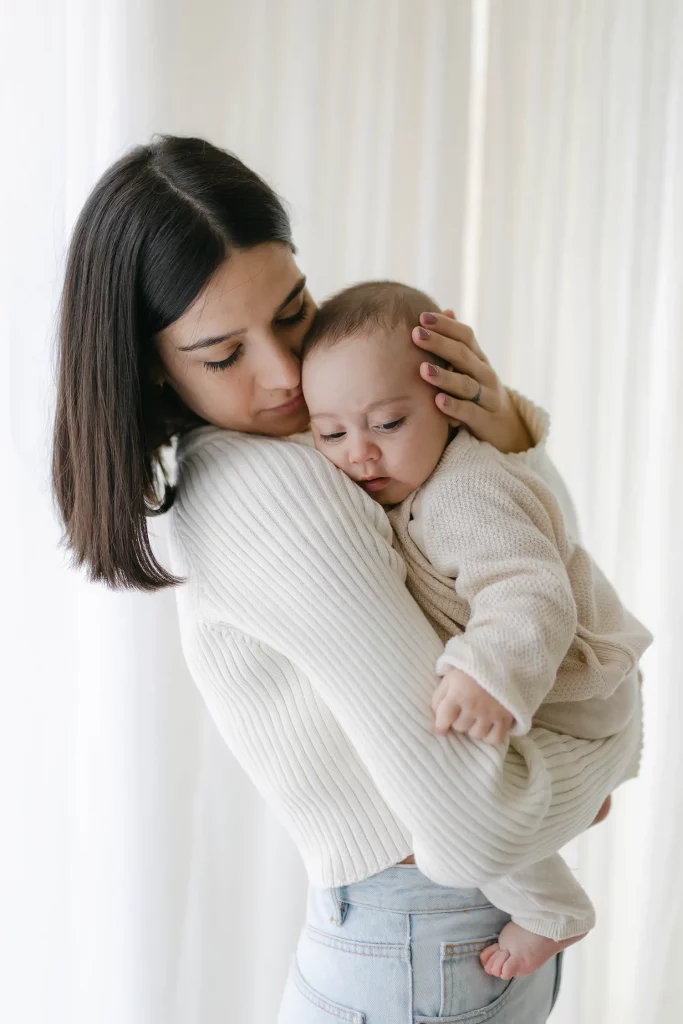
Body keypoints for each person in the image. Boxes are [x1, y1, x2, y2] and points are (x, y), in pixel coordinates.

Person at [52, 135, 642, 1023]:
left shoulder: (324, 438)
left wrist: (502, 442)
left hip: (442, 937)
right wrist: (602, 763)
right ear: (150, 366)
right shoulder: (275, 491)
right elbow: (474, 823)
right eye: (222, 355)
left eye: (293, 311)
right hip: (425, 939)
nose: (287, 372)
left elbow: (518, 567)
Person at [300, 279, 651, 981]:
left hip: (571, 682)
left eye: (387, 424)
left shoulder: (463, 490)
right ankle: (579, 799)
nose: (359, 453)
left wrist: (486, 668)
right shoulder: (406, 487)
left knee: (456, 790)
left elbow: (529, 590)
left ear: (447, 404)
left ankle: (554, 914)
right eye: (332, 433)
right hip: (559, 687)